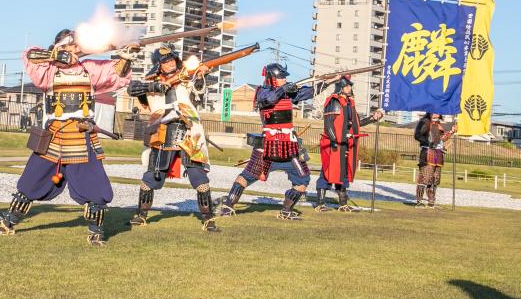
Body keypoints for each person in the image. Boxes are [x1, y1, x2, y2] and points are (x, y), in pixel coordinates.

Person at [0, 29, 135, 246]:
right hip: (54, 135)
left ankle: (96, 231)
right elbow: (30, 55)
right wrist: (58, 55)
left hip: (81, 135)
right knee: (31, 180)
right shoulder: (48, 70)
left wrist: (125, 57)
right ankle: (6, 222)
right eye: (69, 46)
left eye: (75, 46)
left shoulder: (89, 69)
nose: (73, 50)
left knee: (95, 187)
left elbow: (117, 75)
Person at [216, 64, 329, 221]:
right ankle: (228, 207)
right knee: (246, 177)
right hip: (268, 148)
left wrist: (328, 82)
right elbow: (269, 99)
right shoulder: (262, 92)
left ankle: (286, 211)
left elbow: (308, 92)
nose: (285, 79)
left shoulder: (288, 93)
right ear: (273, 79)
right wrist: (284, 89)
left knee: (303, 179)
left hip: (289, 148)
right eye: (282, 77)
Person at [127, 44, 219, 232]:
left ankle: (208, 220)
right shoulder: (150, 81)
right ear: (159, 65)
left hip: (189, 132)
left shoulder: (187, 76)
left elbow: (198, 94)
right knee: (152, 177)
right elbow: (132, 88)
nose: (169, 63)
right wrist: (158, 85)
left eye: (171, 59)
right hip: (161, 131)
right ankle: (140, 215)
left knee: (198, 178)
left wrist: (200, 76)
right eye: (165, 61)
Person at [315, 76, 384, 212]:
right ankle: (320, 204)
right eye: (347, 86)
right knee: (327, 172)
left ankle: (343, 204)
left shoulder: (349, 103)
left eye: (350, 86)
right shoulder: (334, 102)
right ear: (340, 87)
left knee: (344, 172)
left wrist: (372, 118)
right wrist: (334, 141)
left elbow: (357, 123)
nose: (349, 88)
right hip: (333, 143)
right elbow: (328, 124)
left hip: (346, 143)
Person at [413, 113, 456, 207]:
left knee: (435, 179)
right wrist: (428, 142)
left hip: (438, 154)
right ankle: (419, 201)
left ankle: (431, 200)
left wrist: (451, 132)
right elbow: (417, 135)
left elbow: (442, 139)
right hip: (428, 152)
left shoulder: (439, 124)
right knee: (425, 177)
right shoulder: (425, 122)